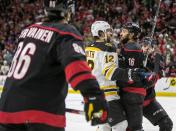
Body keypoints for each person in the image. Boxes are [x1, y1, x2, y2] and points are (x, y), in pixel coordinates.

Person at [0, 0, 108, 131]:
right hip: (41, 111)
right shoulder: (65, 32)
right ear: (69, 10)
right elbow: (77, 69)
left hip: (6, 110)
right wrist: (94, 95)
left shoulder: (27, 30)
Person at [85, 21, 142, 131]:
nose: (111, 34)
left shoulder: (88, 48)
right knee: (120, 126)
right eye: (108, 31)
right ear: (100, 33)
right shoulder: (108, 47)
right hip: (107, 96)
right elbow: (109, 72)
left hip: (93, 95)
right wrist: (130, 73)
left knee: (104, 126)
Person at [117, 22, 146, 131]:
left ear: (132, 34)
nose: (121, 33)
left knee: (134, 128)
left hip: (131, 92)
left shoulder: (131, 47)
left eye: (124, 31)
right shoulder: (130, 47)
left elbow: (130, 76)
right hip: (131, 93)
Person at [141, 37, 173, 131]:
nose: (146, 48)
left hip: (148, 101)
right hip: (131, 102)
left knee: (166, 124)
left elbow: (160, 72)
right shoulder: (133, 57)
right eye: (144, 45)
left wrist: (158, 58)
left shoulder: (156, 60)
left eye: (149, 46)